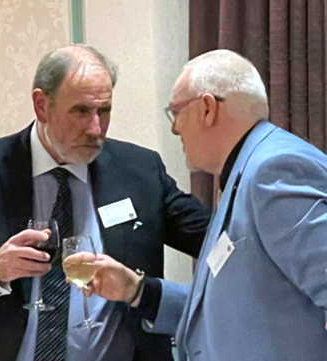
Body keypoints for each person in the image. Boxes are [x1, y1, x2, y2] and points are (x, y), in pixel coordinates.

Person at [0, 45, 210, 361]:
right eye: (80, 111)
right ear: (41, 106)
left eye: (103, 111)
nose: (95, 129)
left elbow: (213, 239)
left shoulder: (139, 171)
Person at [87, 49, 327, 361]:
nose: (174, 129)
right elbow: (229, 313)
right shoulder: (244, 173)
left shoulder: (274, 169)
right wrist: (136, 290)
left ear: (207, 108)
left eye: (176, 112)